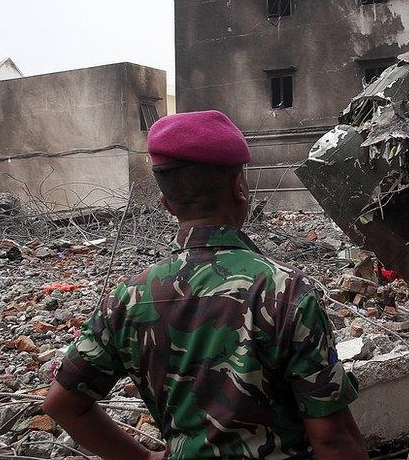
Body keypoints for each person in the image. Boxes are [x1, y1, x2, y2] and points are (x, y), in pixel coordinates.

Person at [43, 110, 367, 459]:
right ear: (238, 188)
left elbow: (63, 405)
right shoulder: (285, 292)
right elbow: (333, 439)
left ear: (166, 204)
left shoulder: (127, 299)